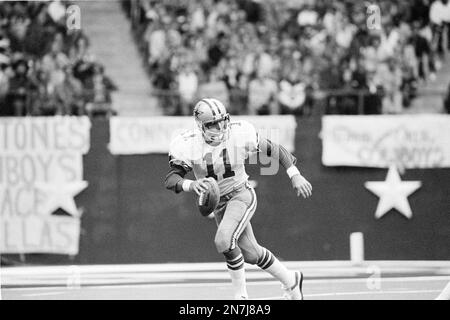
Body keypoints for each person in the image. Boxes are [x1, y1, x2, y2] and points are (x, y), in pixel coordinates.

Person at [164, 98, 312, 300]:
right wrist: (192, 184)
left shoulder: (240, 132)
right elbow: (172, 179)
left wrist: (294, 174)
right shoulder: (188, 143)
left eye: (222, 121)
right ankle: (291, 280)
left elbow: (274, 149)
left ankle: (240, 297)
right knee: (252, 254)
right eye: (212, 124)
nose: (219, 127)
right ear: (200, 126)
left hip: (241, 194)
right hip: (219, 203)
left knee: (223, 241)